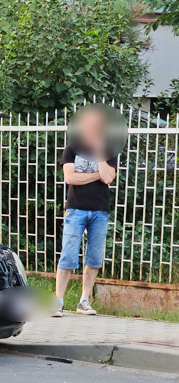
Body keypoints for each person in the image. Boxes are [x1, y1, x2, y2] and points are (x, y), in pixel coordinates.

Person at [53, 107, 119, 317]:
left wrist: (99, 155)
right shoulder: (72, 148)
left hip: (100, 210)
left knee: (94, 258)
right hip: (76, 209)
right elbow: (70, 178)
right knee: (68, 255)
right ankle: (58, 301)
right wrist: (96, 176)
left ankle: (84, 301)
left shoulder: (108, 150)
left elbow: (108, 178)